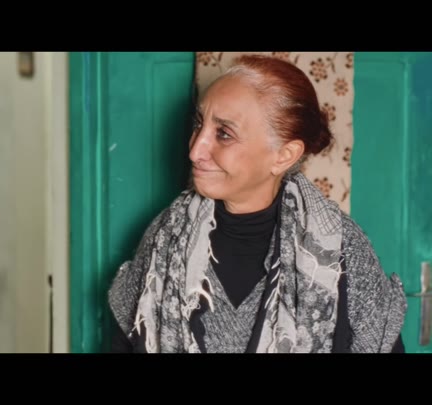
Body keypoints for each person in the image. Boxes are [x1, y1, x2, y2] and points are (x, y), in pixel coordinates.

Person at [107, 54, 407, 353]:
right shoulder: (165, 237)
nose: (195, 150)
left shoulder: (343, 250)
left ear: (283, 156)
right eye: (199, 124)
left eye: (224, 134)